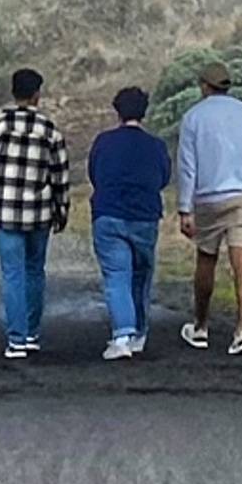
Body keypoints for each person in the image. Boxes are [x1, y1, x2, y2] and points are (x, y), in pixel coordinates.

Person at [0, 66, 72, 358]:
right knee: (35, 271)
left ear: (13, 92)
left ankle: (16, 339)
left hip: (4, 212)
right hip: (39, 213)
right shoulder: (49, 129)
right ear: (36, 95)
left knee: (13, 274)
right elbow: (60, 174)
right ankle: (32, 333)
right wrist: (61, 210)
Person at [171, 59, 242, 355]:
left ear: (204, 85)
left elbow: (188, 167)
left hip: (208, 195)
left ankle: (200, 326)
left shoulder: (193, 117)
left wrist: (185, 209)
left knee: (206, 258)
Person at [85, 84, 171, 359]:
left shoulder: (103, 142)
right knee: (141, 275)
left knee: (117, 275)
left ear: (117, 111)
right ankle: (139, 333)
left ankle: (122, 334)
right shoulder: (156, 145)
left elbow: (94, 174)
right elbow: (164, 178)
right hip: (145, 215)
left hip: (109, 213)